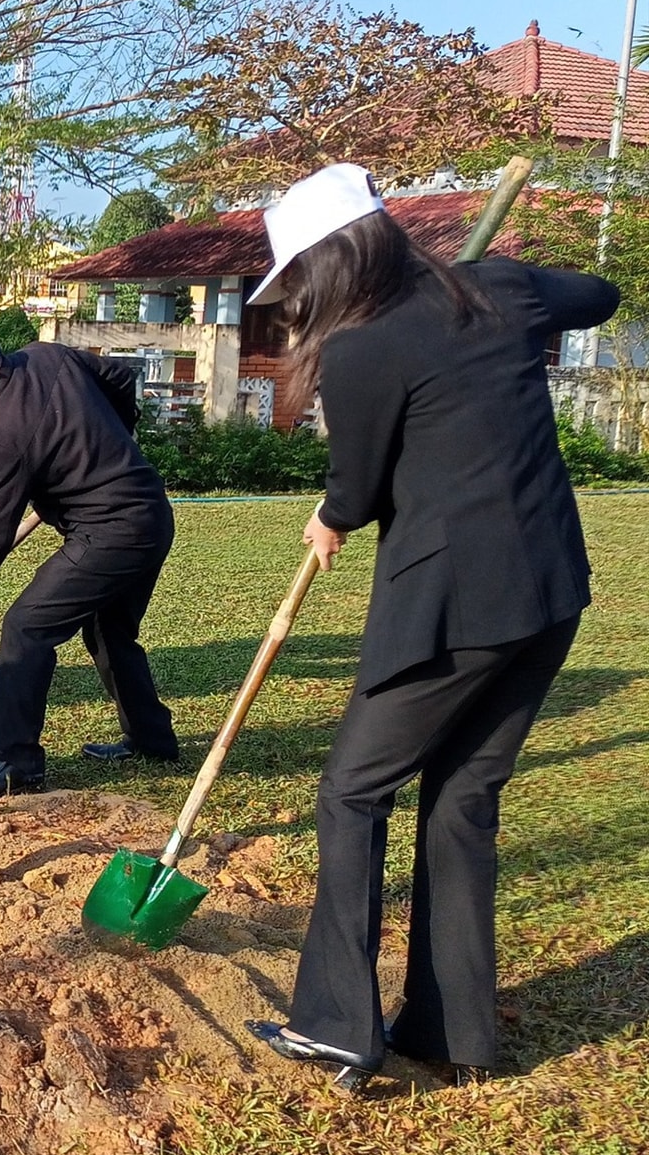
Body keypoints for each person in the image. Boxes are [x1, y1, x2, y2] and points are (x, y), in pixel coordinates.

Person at [240, 163, 618, 1090]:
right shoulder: (503, 289)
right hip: (548, 595)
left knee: (352, 793)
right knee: (458, 799)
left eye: (297, 280)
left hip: (455, 609)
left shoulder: (365, 346)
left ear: (330, 262)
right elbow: (602, 296)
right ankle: (452, 1032)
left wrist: (328, 516)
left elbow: (360, 490)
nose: (294, 300)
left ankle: (336, 1024)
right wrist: (502, 292)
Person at [0, 319, 179, 796]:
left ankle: (14, 764)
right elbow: (120, 376)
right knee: (108, 630)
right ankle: (151, 740)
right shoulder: (47, 354)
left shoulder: (4, 435)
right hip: (150, 514)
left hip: (111, 530)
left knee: (27, 626)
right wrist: (115, 437)